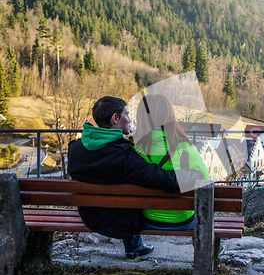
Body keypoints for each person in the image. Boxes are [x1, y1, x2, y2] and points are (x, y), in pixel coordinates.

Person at [67, 96, 202, 259]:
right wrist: (192, 176)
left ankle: (134, 246)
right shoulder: (124, 156)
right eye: (126, 114)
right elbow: (161, 179)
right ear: (115, 118)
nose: (129, 119)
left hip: (89, 216)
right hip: (120, 222)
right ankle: (199, 254)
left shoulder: (75, 149)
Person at [133, 94, 209, 230]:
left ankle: (134, 247)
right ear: (169, 115)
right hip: (181, 221)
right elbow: (204, 177)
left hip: (148, 219)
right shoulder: (182, 146)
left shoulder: (134, 147)